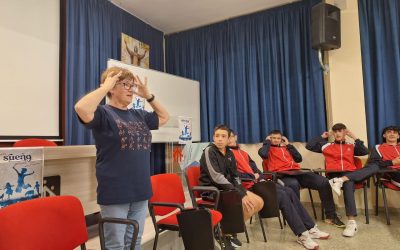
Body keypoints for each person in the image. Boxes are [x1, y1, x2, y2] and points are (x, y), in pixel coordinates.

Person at [75, 66, 169, 250]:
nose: (130, 89)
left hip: (141, 190)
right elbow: (81, 108)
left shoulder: (138, 114)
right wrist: (104, 88)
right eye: (125, 84)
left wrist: (148, 95)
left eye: (132, 85)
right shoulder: (103, 113)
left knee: (134, 241)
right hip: (116, 191)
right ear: (111, 87)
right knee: (116, 244)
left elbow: (164, 116)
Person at [228, 130, 329, 250]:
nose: (228, 139)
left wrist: (259, 177)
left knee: (289, 191)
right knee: (282, 195)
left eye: (230, 137)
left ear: (236, 137)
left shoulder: (243, 153)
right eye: (225, 137)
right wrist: (252, 176)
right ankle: (302, 234)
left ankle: (311, 228)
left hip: (258, 183)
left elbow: (256, 169)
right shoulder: (227, 155)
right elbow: (233, 175)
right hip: (247, 187)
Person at [258, 130, 345, 228]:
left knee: (323, 182)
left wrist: (289, 145)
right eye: (273, 138)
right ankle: (298, 219)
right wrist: (267, 142)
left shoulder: (286, 148)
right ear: (269, 138)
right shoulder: (266, 149)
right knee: (293, 184)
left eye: (278, 138)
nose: (276, 140)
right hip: (280, 175)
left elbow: (298, 159)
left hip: (296, 172)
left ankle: (331, 216)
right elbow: (263, 155)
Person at [199, 124, 263, 249]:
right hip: (212, 190)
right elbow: (216, 177)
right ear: (213, 137)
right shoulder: (209, 151)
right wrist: (237, 193)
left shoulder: (229, 153)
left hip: (227, 189)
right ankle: (222, 233)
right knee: (244, 204)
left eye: (223, 136)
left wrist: (242, 191)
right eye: (217, 136)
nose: (220, 139)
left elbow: (235, 176)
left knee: (258, 202)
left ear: (229, 139)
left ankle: (227, 231)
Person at [306, 123, 369, 237]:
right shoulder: (326, 146)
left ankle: (351, 222)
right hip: (333, 174)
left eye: (340, 131)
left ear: (345, 132)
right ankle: (332, 215)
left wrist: (354, 137)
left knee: (348, 183)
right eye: (335, 131)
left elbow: (365, 151)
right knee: (329, 183)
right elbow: (309, 146)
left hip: (349, 174)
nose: (337, 133)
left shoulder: (351, 146)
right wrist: (323, 136)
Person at [328, 125, 400, 192]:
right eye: (389, 132)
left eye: (395, 132)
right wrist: (392, 162)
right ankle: (340, 179)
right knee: (374, 166)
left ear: (398, 136)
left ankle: (340, 180)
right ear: (384, 135)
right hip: (393, 172)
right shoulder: (378, 147)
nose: (392, 134)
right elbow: (374, 163)